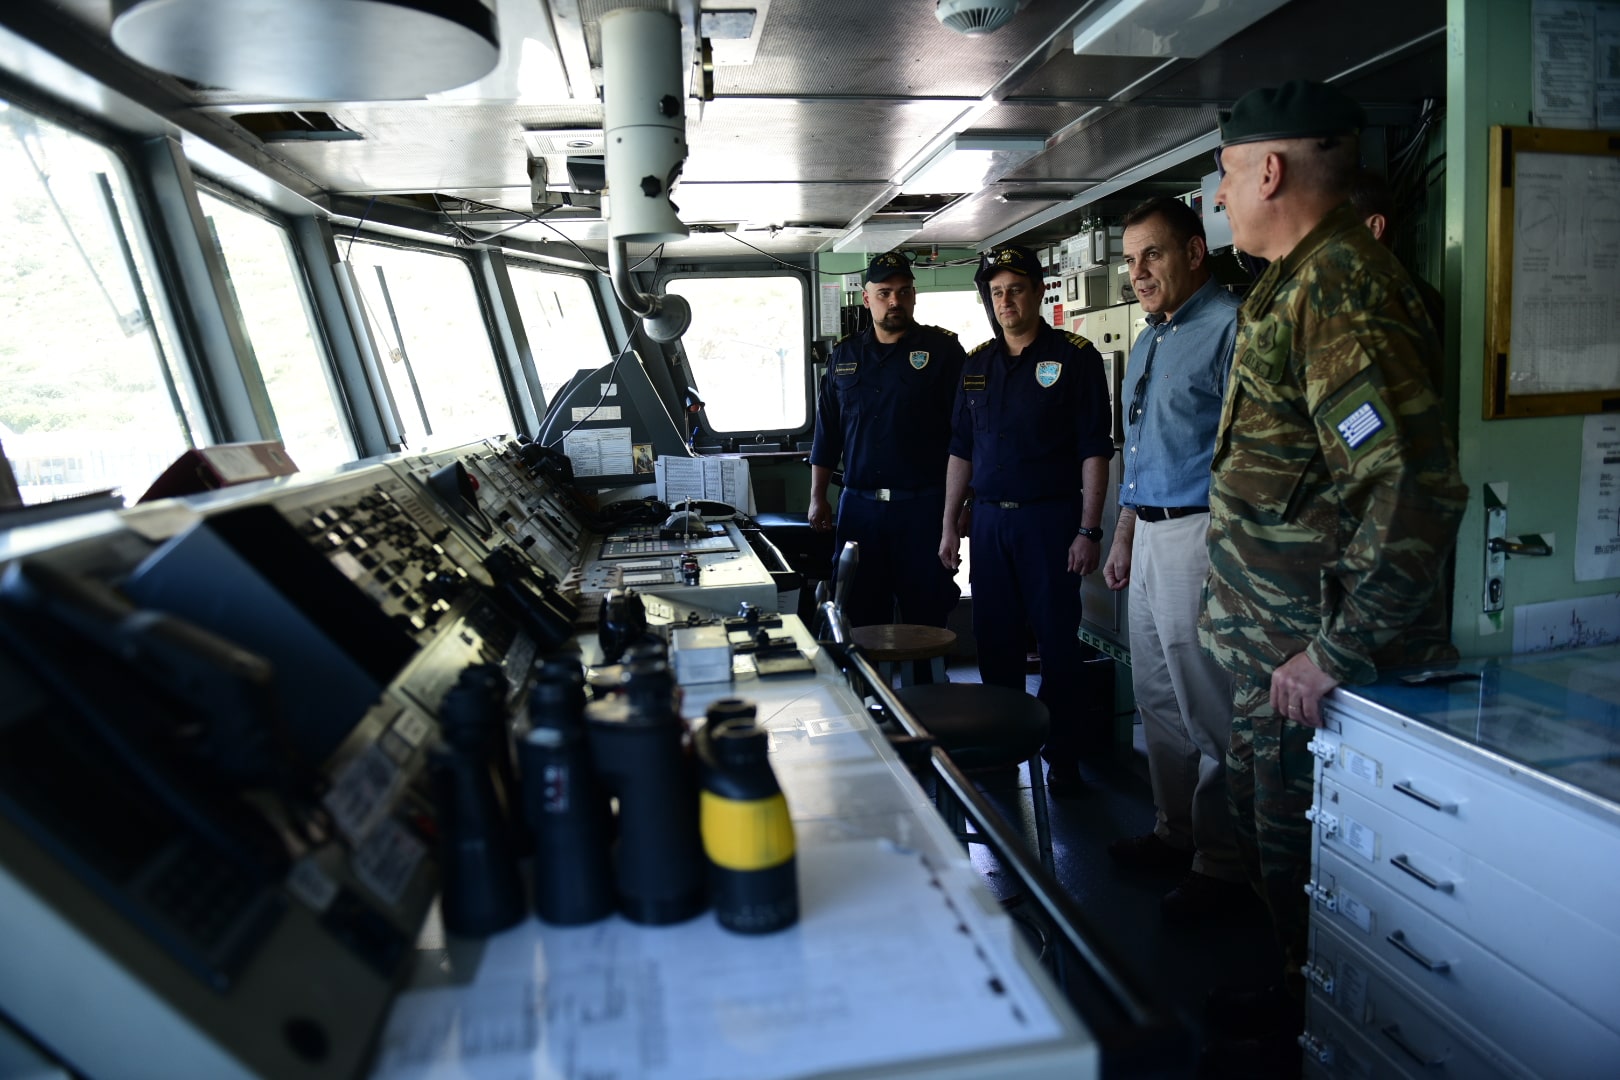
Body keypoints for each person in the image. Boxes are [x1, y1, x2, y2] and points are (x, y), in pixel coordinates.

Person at [1199, 80, 1467, 1070]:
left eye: (1229, 174)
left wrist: (1333, 652)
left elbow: (1411, 487)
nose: (1221, 196)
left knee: (1316, 858)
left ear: (1270, 170)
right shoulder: (1296, 282)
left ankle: (1324, 1033)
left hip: (1309, 663)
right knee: (1279, 850)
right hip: (1271, 646)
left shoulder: (1343, 288)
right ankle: (1296, 996)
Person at [1100, 196, 1249, 923]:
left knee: (1207, 704)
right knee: (1157, 696)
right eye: (1131, 261)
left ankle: (1224, 862)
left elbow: (1244, 455)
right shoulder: (1152, 337)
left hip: (1201, 534)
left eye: (1152, 255)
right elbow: (1140, 452)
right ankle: (1175, 831)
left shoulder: (1232, 327)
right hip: (1150, 531)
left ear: (1195, 251)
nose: (1138, 273)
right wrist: (1123, 533)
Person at [939, 245, 1114, 798]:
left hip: (1051, 523)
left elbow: (1094, 449)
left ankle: (1063, 757)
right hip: (991, 524)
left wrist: (1089, 530)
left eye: (1016, 289)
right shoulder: (977, 364)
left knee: (1058, 646)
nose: (1006, 301)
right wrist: (949, 523)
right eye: (997, 292)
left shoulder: (1075, 357)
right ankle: (1001, 752)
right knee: (995, 643)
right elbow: (961, 450)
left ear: (1039, 292)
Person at [809, 250, 966, 629]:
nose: (895, 301)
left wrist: (964, 505)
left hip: (924, 509)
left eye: (903, 291)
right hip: (859, 509)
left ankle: (929, 672)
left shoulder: (944, 352)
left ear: (914, 296)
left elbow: (965, 435)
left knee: (927, 617)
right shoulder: (844, 355)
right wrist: (817, 496)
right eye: (884, 293)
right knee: (860, 617)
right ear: (867, 299)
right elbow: (827, 432)